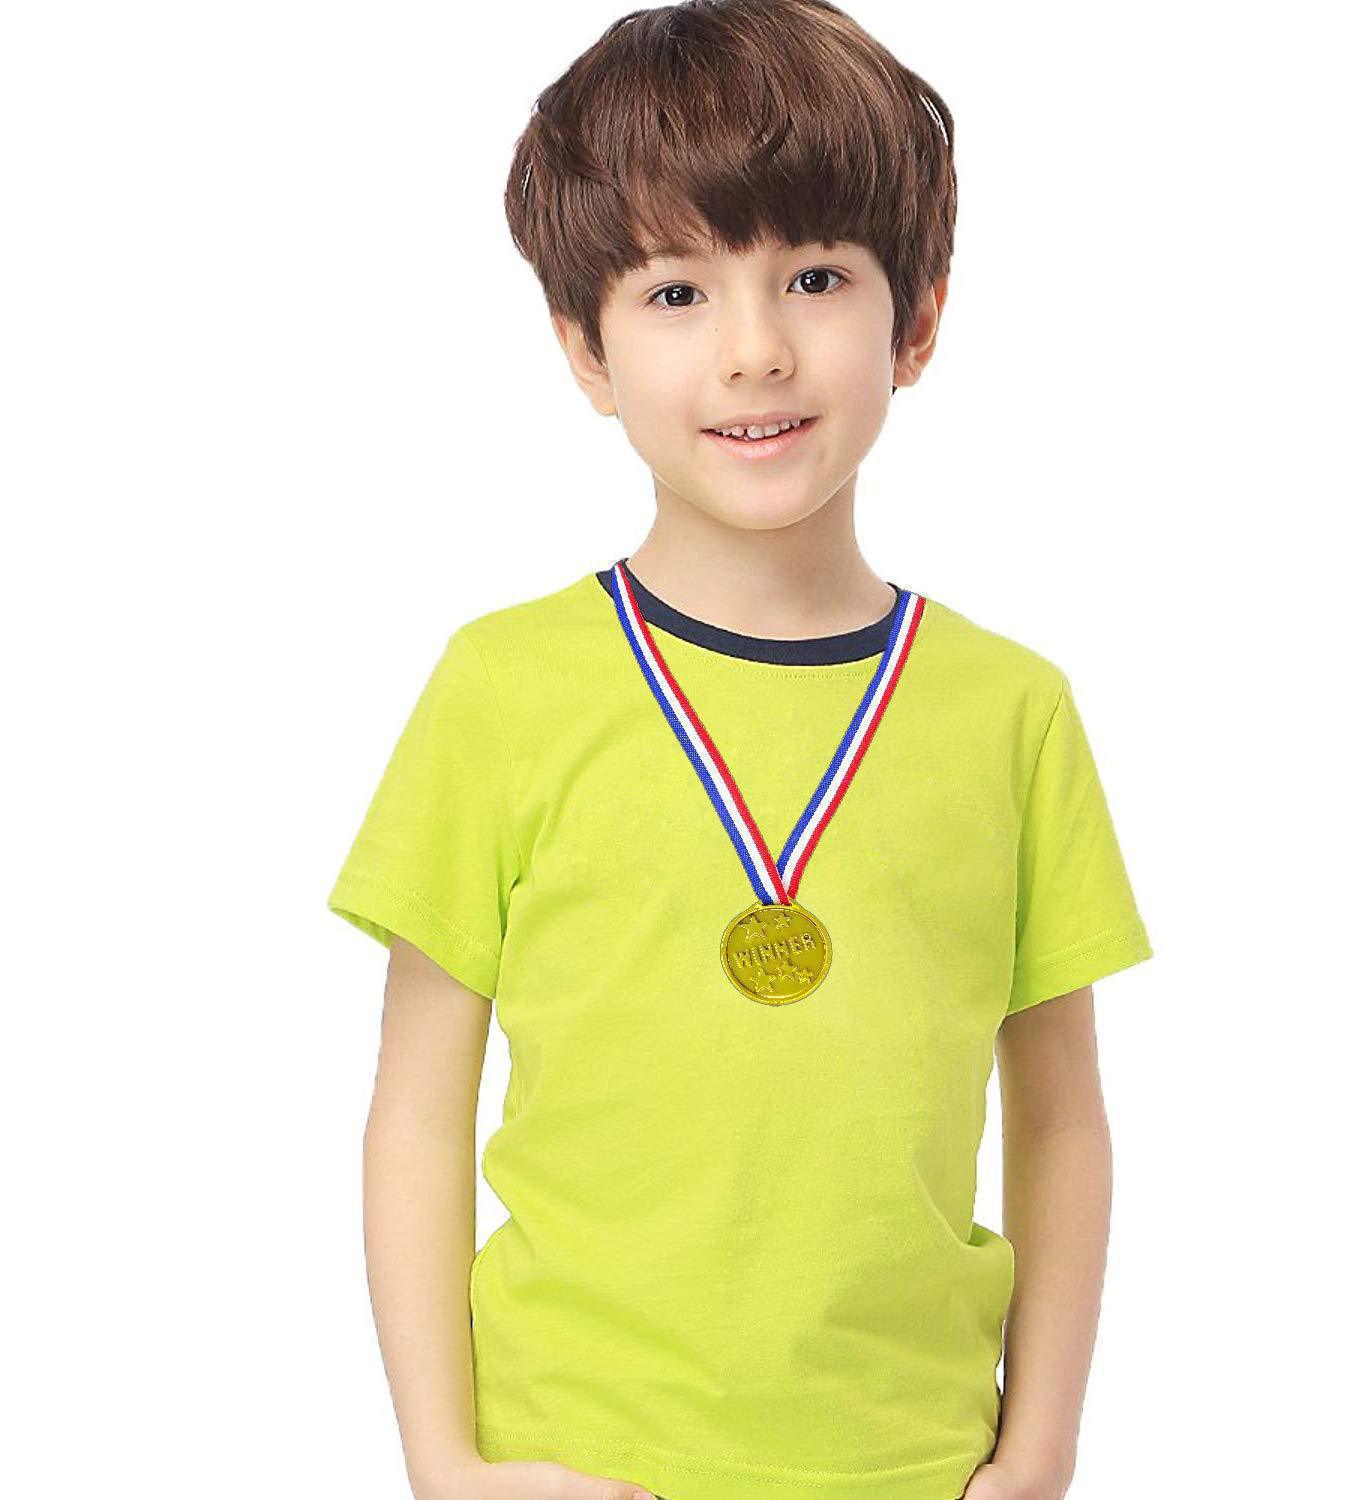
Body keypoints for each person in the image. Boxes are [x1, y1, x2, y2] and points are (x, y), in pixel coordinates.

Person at [327, 3, 1153, 1497]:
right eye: (675, 292)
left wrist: (1039, 1450)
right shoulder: (500, 688)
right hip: (576, 1461)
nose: (756, 351)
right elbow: (415, 1115)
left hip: (914, 1466)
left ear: (917, 320)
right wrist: (445, 1465)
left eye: (816, 277)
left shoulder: (1011, 709)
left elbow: (1064, 1121)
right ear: (585, 352)